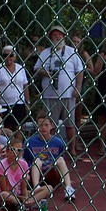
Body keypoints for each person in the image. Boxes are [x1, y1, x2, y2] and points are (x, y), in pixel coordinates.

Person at [34, 25, 85, 156]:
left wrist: (78, 88)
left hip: (68, 93)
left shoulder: (71, 52)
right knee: (52, 124)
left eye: (59, 34)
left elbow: (80, 71)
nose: (56, 36)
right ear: (50, 37)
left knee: (70, 124)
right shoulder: (45, 52)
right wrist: (45, 72)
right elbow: (37, 68)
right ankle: (53, 150)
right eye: (54, 34)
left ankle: (72, 150)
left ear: (63, 36)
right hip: (50, 94)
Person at [23, 113, 76, 201]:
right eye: (41, 125)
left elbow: (61, 161)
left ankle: (68, 187)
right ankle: (36, 187)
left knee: (60, 159)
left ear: (51, 126)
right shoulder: (29, 142)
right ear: (37, 126)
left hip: (52, 173)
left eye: (46, 125)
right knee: (37, 161)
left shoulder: (58, 142)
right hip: (36, 173)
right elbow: (25, 160)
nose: (43, 127)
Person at [0, 132, 53, 211]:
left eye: (19, 150)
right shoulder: (1, 165)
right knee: (4, 195)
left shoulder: (24, 164)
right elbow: (4, 189)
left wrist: (25, 197)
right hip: (8, 195)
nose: (16, 152)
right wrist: (22, 198)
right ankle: (24, 203)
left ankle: (29, 203)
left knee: (49, 188)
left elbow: (24, 187)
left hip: (19, 193)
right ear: (8, 151)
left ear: (22, 153)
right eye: (13, 149)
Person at [0, 45, 30, 131]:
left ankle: (19, 144)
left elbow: (25, 85)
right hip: (4, 104)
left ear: (15, 56)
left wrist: (27, 102)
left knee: (19, 128)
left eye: (11, 55)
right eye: (5, 55)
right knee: (7, 128)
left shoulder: (21, 68)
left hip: (19, 103)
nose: (8, 57)